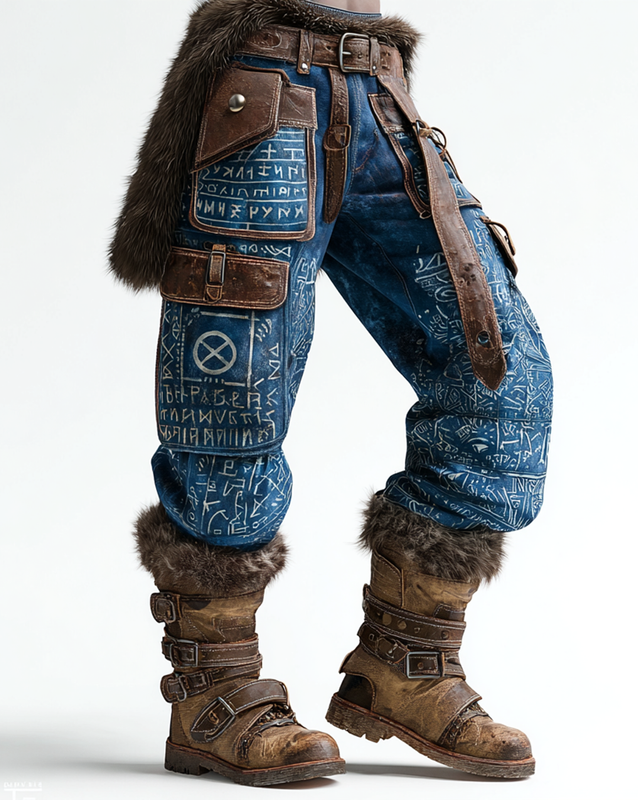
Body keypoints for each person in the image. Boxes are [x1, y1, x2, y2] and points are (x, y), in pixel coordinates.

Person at [110, 0, 553, 786]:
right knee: (233, 400)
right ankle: (213, 695)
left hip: (379, 91)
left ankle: (408, 667)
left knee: (500, 372)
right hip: (262, 84)